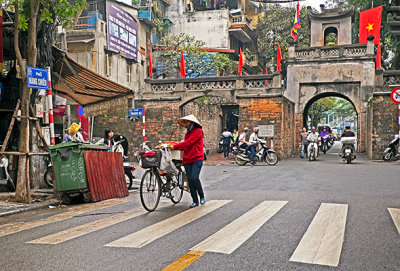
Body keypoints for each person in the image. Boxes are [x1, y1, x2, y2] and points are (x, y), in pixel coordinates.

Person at [171, 115, 205, 208]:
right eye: (184, 123)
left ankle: (201, 195)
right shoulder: (187, 134)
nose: (185, 125)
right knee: (190, 180)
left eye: (187, 122)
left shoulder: (198, 132)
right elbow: (186, 144)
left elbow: (188, 143)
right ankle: (195, 200)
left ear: (192, 123)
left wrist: (175, 146)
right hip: (187, 159)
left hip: (197, 158)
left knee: (194, 177)